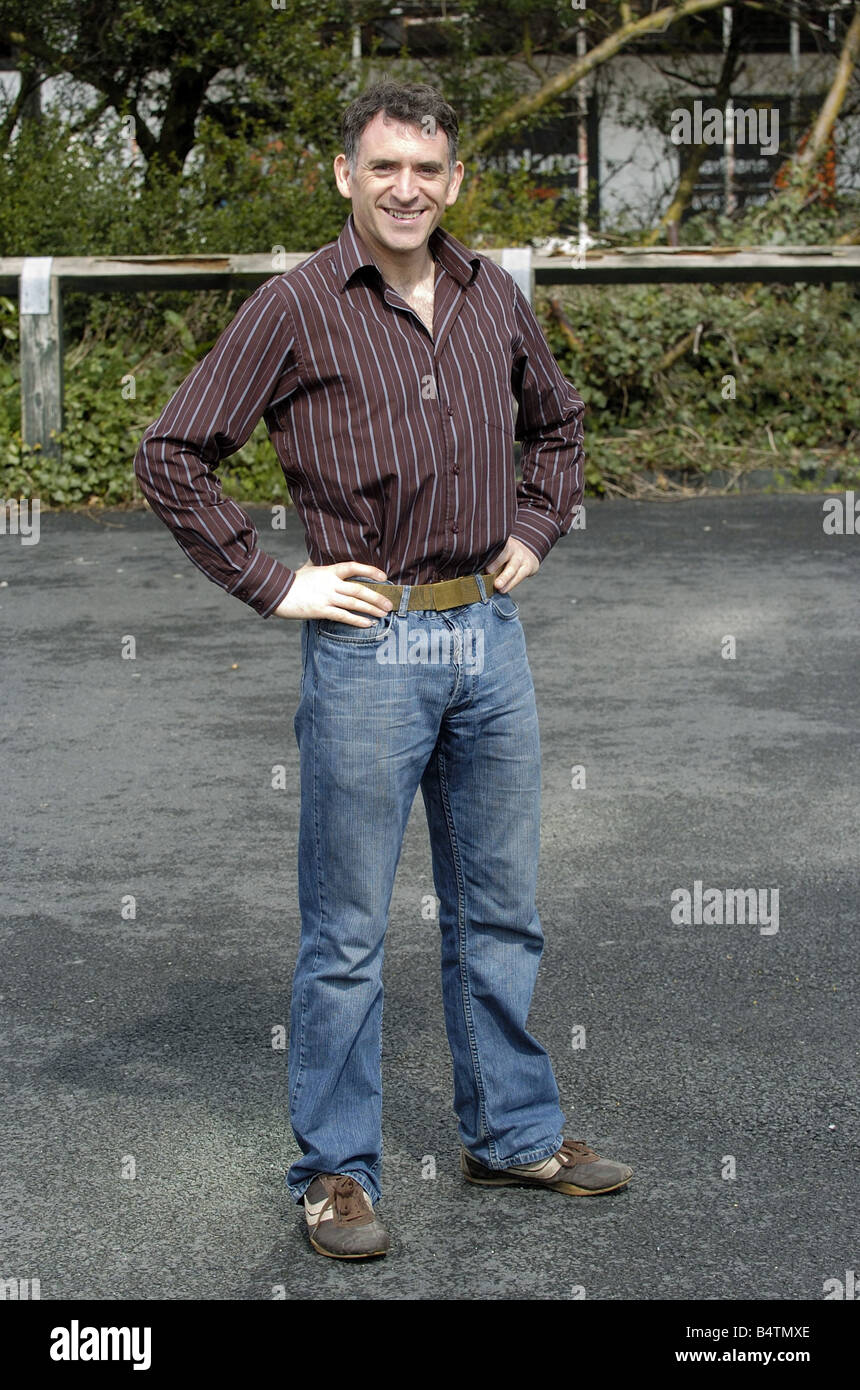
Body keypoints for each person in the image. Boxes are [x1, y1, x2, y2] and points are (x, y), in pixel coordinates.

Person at [134, 79, 633, 1261]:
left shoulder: (489, 294)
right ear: (345, 177)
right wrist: (276, 581)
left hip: (486, 641)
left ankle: (511, 1132)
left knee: (500, 912)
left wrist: (536, 524)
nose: (405, 187)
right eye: (382, 167)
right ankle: (335, 1173)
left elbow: (555, 428)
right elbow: (171, 453)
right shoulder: (295, 307)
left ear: (452, 181)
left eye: (426, 167)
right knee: (347, 933)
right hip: (369, 645)